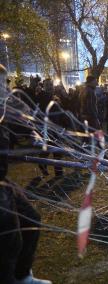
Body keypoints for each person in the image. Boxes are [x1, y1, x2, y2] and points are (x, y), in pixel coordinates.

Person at [0, 64, 51, 284]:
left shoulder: (3, 111)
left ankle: (23, 276)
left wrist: (33, 135)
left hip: (3, 179)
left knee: (30, 218)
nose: (6, 88)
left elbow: (19, 126)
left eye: (5, 83)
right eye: (1, 84)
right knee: (8, 238)